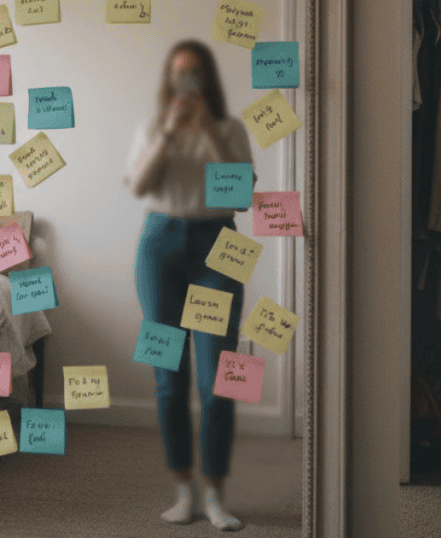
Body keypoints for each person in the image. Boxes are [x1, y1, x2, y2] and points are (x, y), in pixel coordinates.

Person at [122, 39, 255, 531]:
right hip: (159, 247)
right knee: (167, 379)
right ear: (168, 79)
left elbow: (239, 196)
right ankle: (184, 490)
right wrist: (170, 135)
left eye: (195, 73)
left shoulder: (230, 128)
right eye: (179, 73)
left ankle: (216, 492)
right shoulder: (151, 127)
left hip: (216, 247)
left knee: (216, 379)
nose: (187, 82)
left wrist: (207, 133)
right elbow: (138, 188)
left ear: (208, 78)